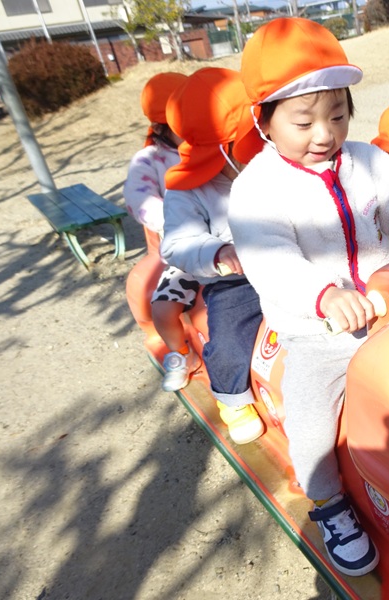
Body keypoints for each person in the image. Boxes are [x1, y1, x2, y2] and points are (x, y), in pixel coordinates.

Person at [226, 18, 389, 577]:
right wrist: (324, 296)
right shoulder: (256, 189)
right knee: (311, 414)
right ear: (263, 119)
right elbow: (270, 260)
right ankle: (328, 500)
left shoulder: (367, 161)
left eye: (338, 115)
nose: (325, 134)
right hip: (319, 331)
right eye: (304, 121)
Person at [160, 67, 265, 445]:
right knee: (230, 335)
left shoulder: (273, 158)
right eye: (246, 141)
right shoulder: (187, 188)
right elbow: (176, 243)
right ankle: (232, 398)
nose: (260, 145)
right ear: (218, 148)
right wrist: (218, 251)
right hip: (237, 279)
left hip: (294, 254)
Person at [123, 72, 203, 393]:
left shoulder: (210, 145)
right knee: (163, 307)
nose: (194, 128)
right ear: (160, 127)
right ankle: (181, 353)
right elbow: (138, 198)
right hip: (185, 251)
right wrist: (176, 220)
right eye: (183, 123)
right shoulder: (150, 160)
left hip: (229, 240)